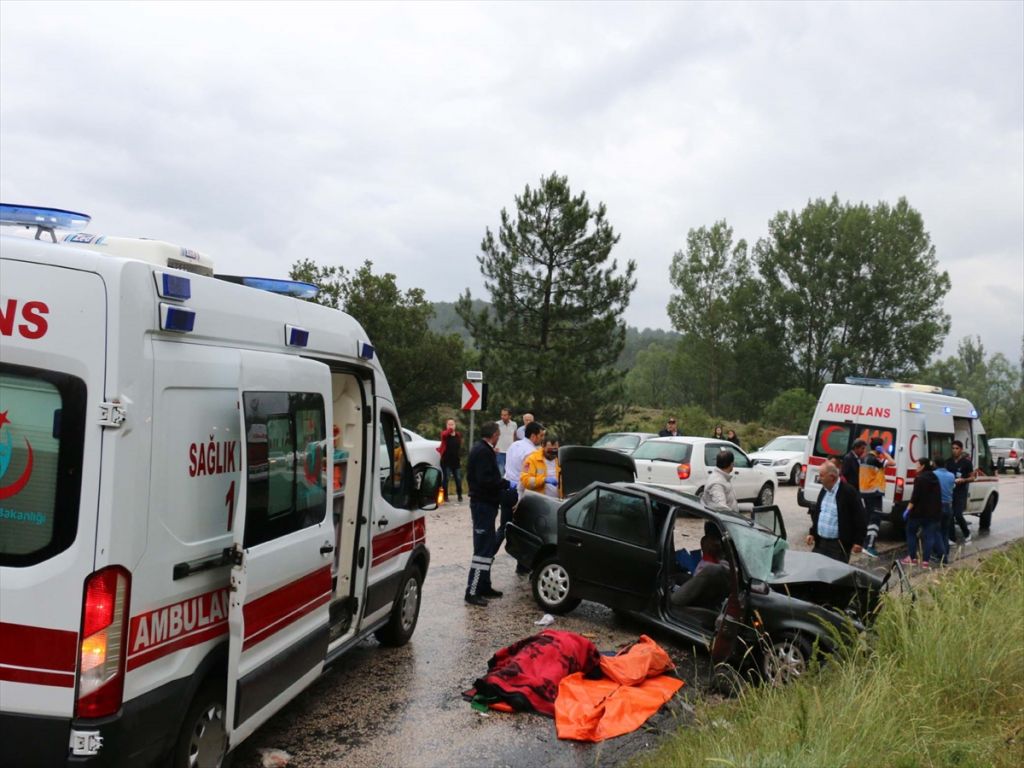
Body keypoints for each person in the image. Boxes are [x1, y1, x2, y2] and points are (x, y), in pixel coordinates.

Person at [464, 422, 505, 606]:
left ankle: (484, 585)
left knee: (488, 547)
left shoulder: (484, 450)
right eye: (498, 435)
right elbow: (484, 479)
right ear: (494, 434)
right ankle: (472, 591)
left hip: (487, 504)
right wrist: (503, 484)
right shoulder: (482, 452)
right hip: (482, 505)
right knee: (482, 549)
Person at [498, 421, 545, 561]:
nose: (542, 438)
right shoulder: (532, 453)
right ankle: (523, 564)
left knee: (503, 528)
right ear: (533, 436)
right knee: (525, 531)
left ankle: (488, 556)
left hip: (506, 489)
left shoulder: (514, 445)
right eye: (541, 435)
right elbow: (526, 479)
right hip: (518, 494)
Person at [806, 462, 866, 563]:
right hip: (820, 542)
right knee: (814, 571)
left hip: (838, 546)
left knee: (834, 576)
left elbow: (860, 517)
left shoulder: (848, 492)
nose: (819, 478)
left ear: (832, 477)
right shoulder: (824, 490)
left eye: (822, 475)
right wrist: (812, 533)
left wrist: (858, 541)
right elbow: (819, 513)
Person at [670, 535, 732, 610]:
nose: (719, 547)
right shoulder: (709, 567)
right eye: (715, 545)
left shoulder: (710, 567)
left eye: (718, 545)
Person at [901, 458, 941, 567]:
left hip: (918, 512)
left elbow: (915, 497)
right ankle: (925, 561)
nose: (916, 467)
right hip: (933, 513)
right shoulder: (935, 477)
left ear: (923, 466)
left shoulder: (920, 479)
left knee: (911, 532)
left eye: (917, 465)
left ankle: (912, 557)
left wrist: (907, 510)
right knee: (929, 536)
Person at [860, 437, 895, 557]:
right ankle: (870, 546)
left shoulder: (864, 457)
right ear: (879, 448)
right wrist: (885, 452)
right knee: (875, 520)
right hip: (874, 493)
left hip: (866, 492)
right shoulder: (875, 459)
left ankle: (865, 544)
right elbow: (892, 462)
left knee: (869, 519)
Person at [945, 440, 974, 543]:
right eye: (953, 448)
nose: (954, 451)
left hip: (961, 492)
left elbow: (972, 477)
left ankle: (967, 533)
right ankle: (952, 538)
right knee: (950, 515)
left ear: (961, 450)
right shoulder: (948, 462)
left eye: (957, 448)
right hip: (950, 491)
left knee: (958, 514)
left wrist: (964, 480)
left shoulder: (967, 462)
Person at [932, 459, 956, 564]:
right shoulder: (951, 475)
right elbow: (953, 487)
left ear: (935, 465)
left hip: (937, 506)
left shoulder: (933, 474)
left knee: (936, 531)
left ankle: (942, 557)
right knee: (945, 532)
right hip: (948, 506)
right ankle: (945, 553)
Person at [438, 418, 464, 503]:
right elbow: (444, 435)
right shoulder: (444, 434)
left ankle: (459, 495)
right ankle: (445, 496)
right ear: (446, 426)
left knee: (458, 479)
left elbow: (459, 448)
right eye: (449, 424)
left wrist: (460, 458)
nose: (451, 426)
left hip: (456, 461)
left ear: (455, 425)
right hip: (446, 461)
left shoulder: (458, 435)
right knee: (446, 479)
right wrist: (449, 430)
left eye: (452, 424)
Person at [495, 408, 517, 475]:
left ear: (510, 416)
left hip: (510, 452)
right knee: (500, 471)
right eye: (502, 415)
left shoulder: (514, 424)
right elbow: (493, 437)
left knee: (508, 472)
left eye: (505, 415)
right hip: (500, 451)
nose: (503, 417)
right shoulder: (497, 424)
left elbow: (514, 436)